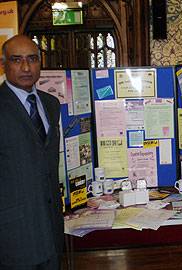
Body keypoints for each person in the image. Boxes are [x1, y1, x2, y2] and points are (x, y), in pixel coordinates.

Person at [0, 35, 63, 269]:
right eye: (17, 60)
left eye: (32, 59)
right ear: (3, 64)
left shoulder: (50, 104)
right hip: (12, 237)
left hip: (51, 230)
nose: (26, 67)